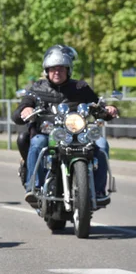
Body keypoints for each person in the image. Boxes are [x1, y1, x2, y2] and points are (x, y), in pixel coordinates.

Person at [12, 44, 118, 207]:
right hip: (48, 133)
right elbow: (21, 110)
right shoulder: (37, 88)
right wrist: (25, 109)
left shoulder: (80, 87)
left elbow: (97, 107)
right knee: (37, 142)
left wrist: (108, 109)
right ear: (47, 70)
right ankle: (34, 187)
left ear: (68, 70)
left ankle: (98, 191)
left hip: (78, 134)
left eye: (61, 68)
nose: (57, 72)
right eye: (53, 68)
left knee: (102, 144)